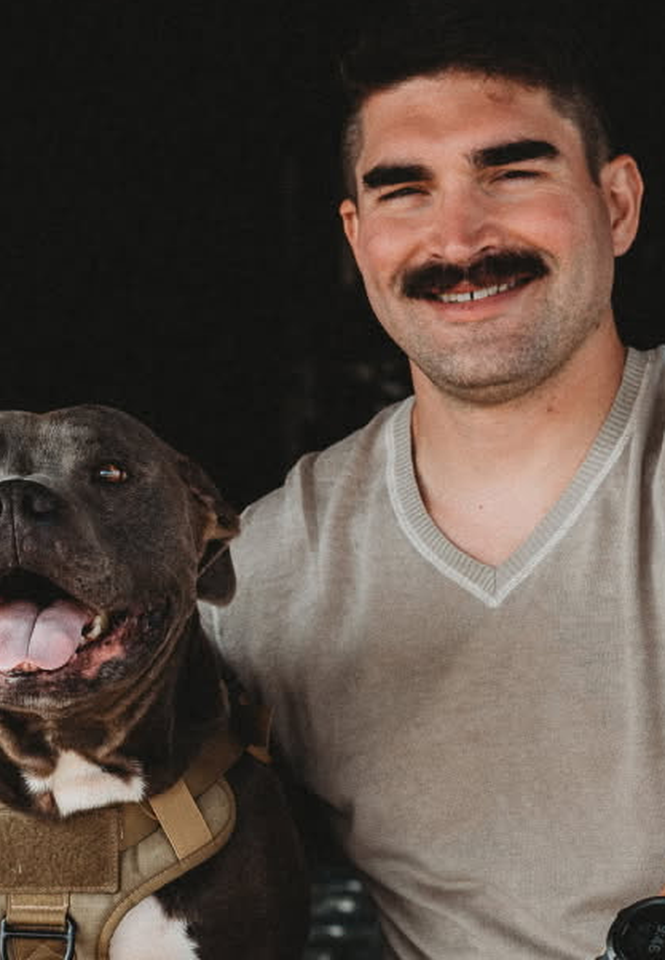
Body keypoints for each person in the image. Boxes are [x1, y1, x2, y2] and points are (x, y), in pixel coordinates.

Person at [205, 7, 664, 959]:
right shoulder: (269, 576)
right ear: (357, 237)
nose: (458, 237)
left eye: (512, 173)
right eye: (405, 191)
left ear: (617, 205)